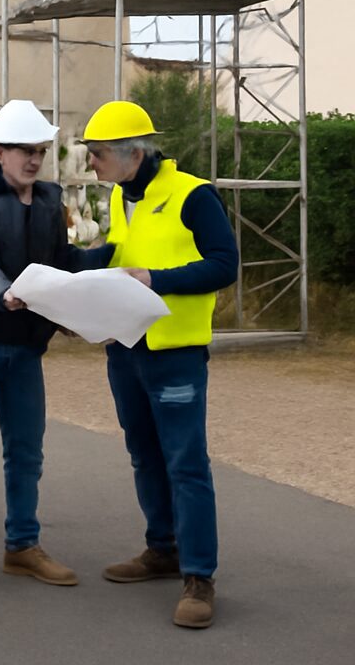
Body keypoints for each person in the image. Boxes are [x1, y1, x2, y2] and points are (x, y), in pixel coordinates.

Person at [0, 99, 111, 596]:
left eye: (41, 150)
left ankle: (22, 548)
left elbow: (61, 261)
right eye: (24, 151)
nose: (34, 160)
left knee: (27, 452)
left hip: (25, 346)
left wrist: (111, 258)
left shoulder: (50, 201)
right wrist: (2, 291)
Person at [82, 100, 239, 630]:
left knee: (185, 462)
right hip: (125, 349)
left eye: (97, 154)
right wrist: (51, 269)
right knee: (144, 455)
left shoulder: (194, 194)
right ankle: (162, 549)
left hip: (175, 353)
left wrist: (157, 279)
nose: (91, 164)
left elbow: (224, 263)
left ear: (133, 152)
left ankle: (199, 577)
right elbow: (113, 256)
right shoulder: (122, 198)